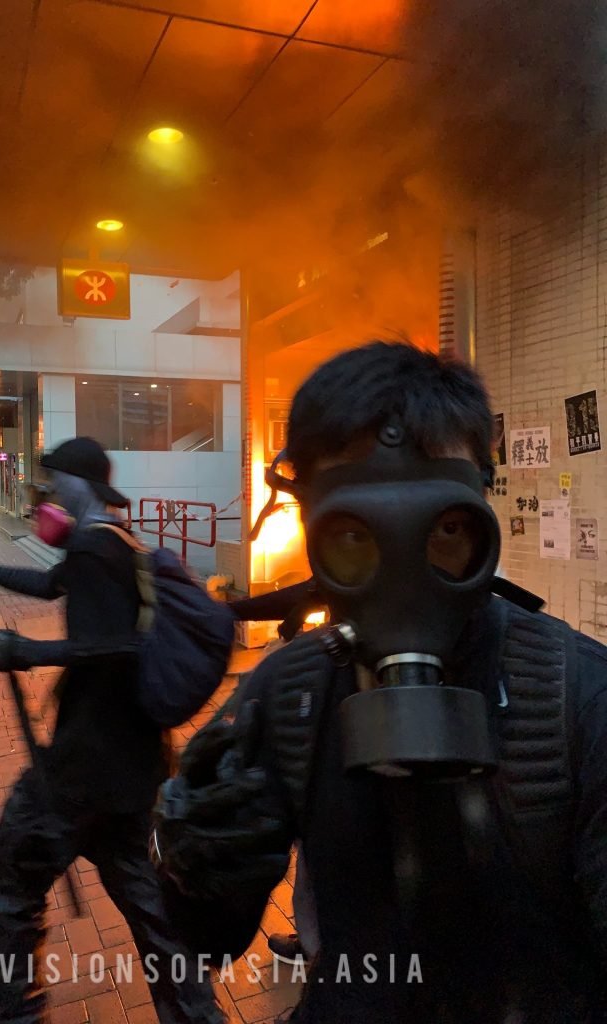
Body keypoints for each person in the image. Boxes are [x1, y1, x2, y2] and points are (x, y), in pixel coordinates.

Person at [154, 342, 607, 1024]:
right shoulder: (291, 695)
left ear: (483, 520)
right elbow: (209, 940)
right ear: (312, 529)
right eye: (356, 536)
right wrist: (199, 867)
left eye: (446, 529)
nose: (403, 575)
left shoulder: (575, 697)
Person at [0, 437, 225, 1024]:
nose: (48, 494)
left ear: (82, 484)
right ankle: (196, 1014)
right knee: (147, 904)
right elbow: (50, 586)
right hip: (130, 765)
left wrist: (28, 651)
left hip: (81, 769)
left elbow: (117, 648)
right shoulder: (116, 544)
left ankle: (19, 1016)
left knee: (8, 878)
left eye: (55, 482)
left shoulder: (93, 545)